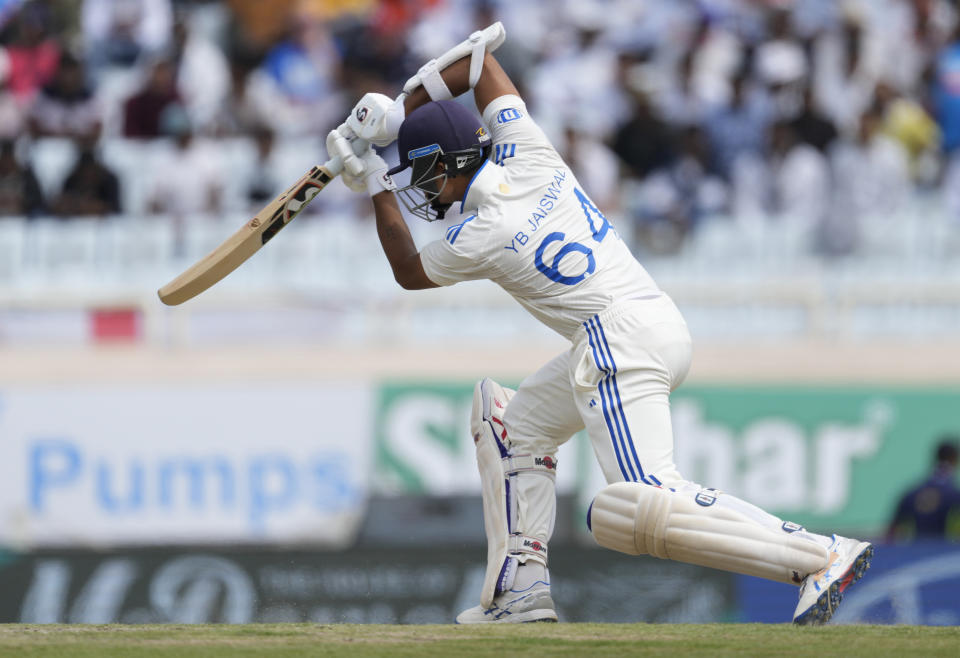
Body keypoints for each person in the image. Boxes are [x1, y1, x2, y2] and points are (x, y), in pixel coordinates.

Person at [330, 24, 873, 625]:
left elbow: (407, 271)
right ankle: (521, 591)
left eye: (423, 172)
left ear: (451, 162)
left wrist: (375, 179)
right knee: (514, 425)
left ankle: (819, 554)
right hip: (651, 317)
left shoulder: (481, 234)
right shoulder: (528, 150)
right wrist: (403, 109)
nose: (423, 189)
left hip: (614, 340)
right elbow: (481, 66)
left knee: (645, 499)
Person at [888, 437, 960, 541]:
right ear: (955, 459)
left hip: (916, 551)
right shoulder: (954, 495)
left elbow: (891, 532)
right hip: (944, 552)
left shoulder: (911, 494)